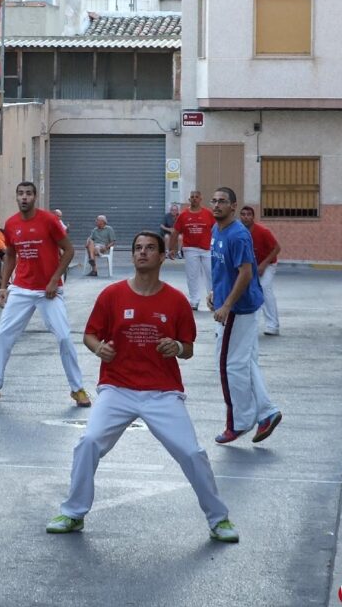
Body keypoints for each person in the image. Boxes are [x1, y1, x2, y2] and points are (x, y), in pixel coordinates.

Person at [45, 231, 239, 543]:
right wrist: (98, 350)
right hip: (117, 389)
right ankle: (73, 512)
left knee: (192, 452)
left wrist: (176, 346)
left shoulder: (175, 300)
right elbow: (90, 335)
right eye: (137, 248)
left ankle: (219, 519)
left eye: (150, 248)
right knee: (89, 442)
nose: (142, 253)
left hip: (162, 392)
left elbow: (188, 348)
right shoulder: (112, 295)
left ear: (162, 256)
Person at [0, 182, 89, 407]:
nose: (24, 197)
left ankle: (78, 389)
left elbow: (70, 250)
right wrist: (3, 287)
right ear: (17, 197)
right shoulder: (12, 223)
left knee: (64, 336)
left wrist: (55, 279)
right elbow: (11, 257)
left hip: (48, 291)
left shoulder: (49, 221)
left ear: (35, 197)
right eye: (20, 194)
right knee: (3, 334)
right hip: (22, 289)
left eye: (28, 194)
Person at [208, 187, 283, 445]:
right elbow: (221, 268)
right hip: (232, 305)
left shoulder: (238, 235)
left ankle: (238, 423)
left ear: (233, 206)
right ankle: (267, 412)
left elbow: (246, 273)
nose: (217, 205)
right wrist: (213, 293)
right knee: (246, 362)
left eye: (223, 201)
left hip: (239, 310)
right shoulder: (216, 230)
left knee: (230, 366)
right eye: (214, 200)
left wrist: (227, 304)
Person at [239, 205, 281, 336]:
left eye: (248, 215)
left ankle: (273, 325)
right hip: (250, 266)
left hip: (268, 265)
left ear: (253, 217)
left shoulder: (263, 231)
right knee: (246, 292)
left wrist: (263, 265)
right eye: (243, 214)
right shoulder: (238, 231)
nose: (246, 217)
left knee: (264, 288)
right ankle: (247, 325)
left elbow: (277, 248)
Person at [169, 191, 215, 310]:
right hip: (190, 249)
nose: (194, 199)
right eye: (192, 197)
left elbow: (216, 230)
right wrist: (172, 249)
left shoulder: (208, 214)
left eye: (196, 197)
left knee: (211, 274)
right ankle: (194, 301)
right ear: (189, 199)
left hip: (207, 249)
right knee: (192, 275)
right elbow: (175, 232)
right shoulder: (183, 215)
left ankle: (213, 300)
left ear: (201, 199)